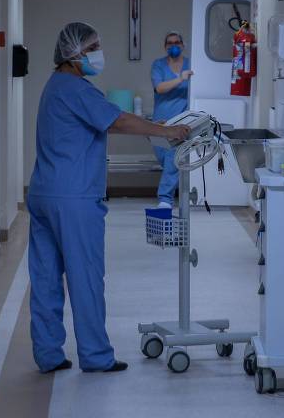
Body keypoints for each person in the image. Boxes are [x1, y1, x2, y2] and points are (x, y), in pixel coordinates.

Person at [27, 22, 190, 374]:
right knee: (84, 275)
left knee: (44, 277)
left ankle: (48, 354)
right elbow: (117, 122)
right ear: (74, 53)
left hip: (42, 192)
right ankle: (96, 355)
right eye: (93, 47)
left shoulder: (54, 86)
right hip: (73, 197)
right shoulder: (77, 89)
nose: (98, 53)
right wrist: (167, 131)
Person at [150, 31, 193, 208]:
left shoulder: (191, 64)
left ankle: (165, 199)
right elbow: (159, 88)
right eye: (170, 43)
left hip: (181, 122)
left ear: (183, 45)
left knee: (173, 158)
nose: (173, 45)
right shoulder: (158, 65)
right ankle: (171, 194)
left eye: (177, 42)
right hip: (160, 122)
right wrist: (180, 79)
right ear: (165, 47)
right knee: (165, 159)